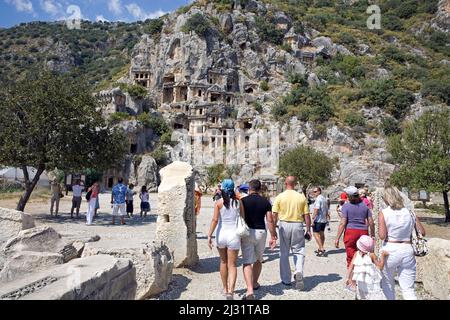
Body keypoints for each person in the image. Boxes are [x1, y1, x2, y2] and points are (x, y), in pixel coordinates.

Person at [378, 186, 426, 300]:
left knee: (388, 285)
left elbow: (382, 235)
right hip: (407, 249)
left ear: (386, 198)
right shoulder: (410, 212)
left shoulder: (384, 213)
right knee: (408, 288)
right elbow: (422, 232)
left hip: (390, 248)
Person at [240, 180, 277, 300]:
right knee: (258, 260)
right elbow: (270, 220)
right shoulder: (265, 202)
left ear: (249, 189)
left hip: (247, 232)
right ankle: (255, 282)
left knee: (247, 262)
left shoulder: (243, 201)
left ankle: (249, 290)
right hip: (261, 232)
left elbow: (240, 217)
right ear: (260, 189)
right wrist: (273, 235)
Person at [272, 176, 311, 290]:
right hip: (298, 224)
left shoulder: (280, 196)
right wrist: (308, 229)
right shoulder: (301, 197)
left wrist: (273, 229)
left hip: (284, 224)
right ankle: (298, 271)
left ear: (285, 183)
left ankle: (286, 279)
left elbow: (274, 214)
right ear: (295, 184)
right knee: (299, 251)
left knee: (284, 252)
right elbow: (307, 215)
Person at [207, 179, 240, 300]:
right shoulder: (238, 203)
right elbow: (243, 219)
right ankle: (231, 291)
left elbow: (215, 220)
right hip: (234, 235)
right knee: (232, 265)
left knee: (223, 262)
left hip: (221, 234)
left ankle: (225, 288)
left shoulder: (218, 203)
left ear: (222, 189)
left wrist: (209, 235)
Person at [335, 186, 375, 268]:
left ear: (349, 196)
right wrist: (372, 234)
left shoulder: (346, 207)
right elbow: (371, 221)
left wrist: (337, 238)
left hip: (351, 232)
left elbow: (343, 223)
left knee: (350, 254)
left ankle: (351, 275)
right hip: (363, 231)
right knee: (363, 253)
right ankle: (362, 272)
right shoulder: (365, 206)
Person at [346, 235, 389, 300]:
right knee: (371, 294)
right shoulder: (371, 255)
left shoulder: (356, 253)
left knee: (360, 295)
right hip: (370, 282)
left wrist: (348, 278)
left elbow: (351, 267)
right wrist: (383, 256)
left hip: (360, 282)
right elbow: (380, 267)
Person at [311, 187, 329, 257]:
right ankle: (320, 247)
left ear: (319, 191)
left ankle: (321, 248)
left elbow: (316, 209)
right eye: (313, 191)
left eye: (315, 191)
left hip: (318, 219)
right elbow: (327, 208)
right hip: (323, 220)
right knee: (321, 233)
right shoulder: (324, 198)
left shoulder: (318, 199)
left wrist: (313, 218)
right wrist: (327, 216)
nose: (314, 193)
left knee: (315, 234)